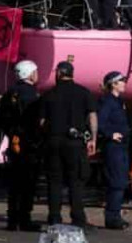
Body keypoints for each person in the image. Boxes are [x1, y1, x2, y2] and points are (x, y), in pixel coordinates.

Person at [39, 61, 98, 229]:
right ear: (72, 73)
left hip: (54, 141)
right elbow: (92, 116)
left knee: (54, 181)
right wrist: (93, 139)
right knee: (76, 181)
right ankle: (78, 218)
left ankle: (54, 217)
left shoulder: (48, 94)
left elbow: (42, 122)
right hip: (75, 142)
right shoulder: (84, 93)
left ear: (58, 74)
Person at [0, 60, 41, 231]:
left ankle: (12, 219)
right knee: (28, 182)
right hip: (29, 144)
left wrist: (11, 132)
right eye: (35, 71)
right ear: (29, 74)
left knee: (14, 183)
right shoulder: (32, 94)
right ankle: (24, 218)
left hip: (13, 141)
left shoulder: (9, 94)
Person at [98, 71, 131, 230]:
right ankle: (112, 218)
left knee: (121, 181)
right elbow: (100, 122)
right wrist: (110, 134)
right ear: (113, 84)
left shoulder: (119, 102)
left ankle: (115, 215)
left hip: (122, 146)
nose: (125, 83)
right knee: (116, 182)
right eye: (122, 81)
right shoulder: (108, 102)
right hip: (114, 148)